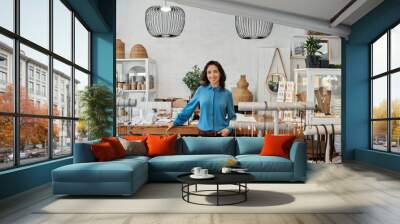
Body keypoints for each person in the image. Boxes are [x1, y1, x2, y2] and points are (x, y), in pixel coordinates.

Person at [167, 60, 236, 137]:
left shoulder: (227, 94)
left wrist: (229, 129)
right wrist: (176, 122)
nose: (212, 75)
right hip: (203, 133)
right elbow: (189, 108)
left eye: (215, 71)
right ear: (206, 75)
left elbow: (232, 117)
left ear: (220, 73)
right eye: (209, 72)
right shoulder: (201, 90)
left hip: (221, 134)